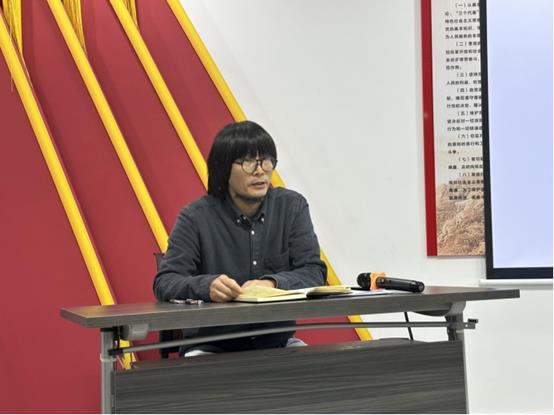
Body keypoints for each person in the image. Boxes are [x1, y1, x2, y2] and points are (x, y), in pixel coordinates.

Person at [153, 120, 326, 355]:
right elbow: (165, 281)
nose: (260, 171)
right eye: (248, 162)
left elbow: (313, 272)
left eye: (266, 161)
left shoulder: (292, 207)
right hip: (211, 346)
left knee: (325, 371)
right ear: (223, 169)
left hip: (276, 343)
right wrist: (206, 286)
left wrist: (273, 284)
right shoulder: (195, 217)